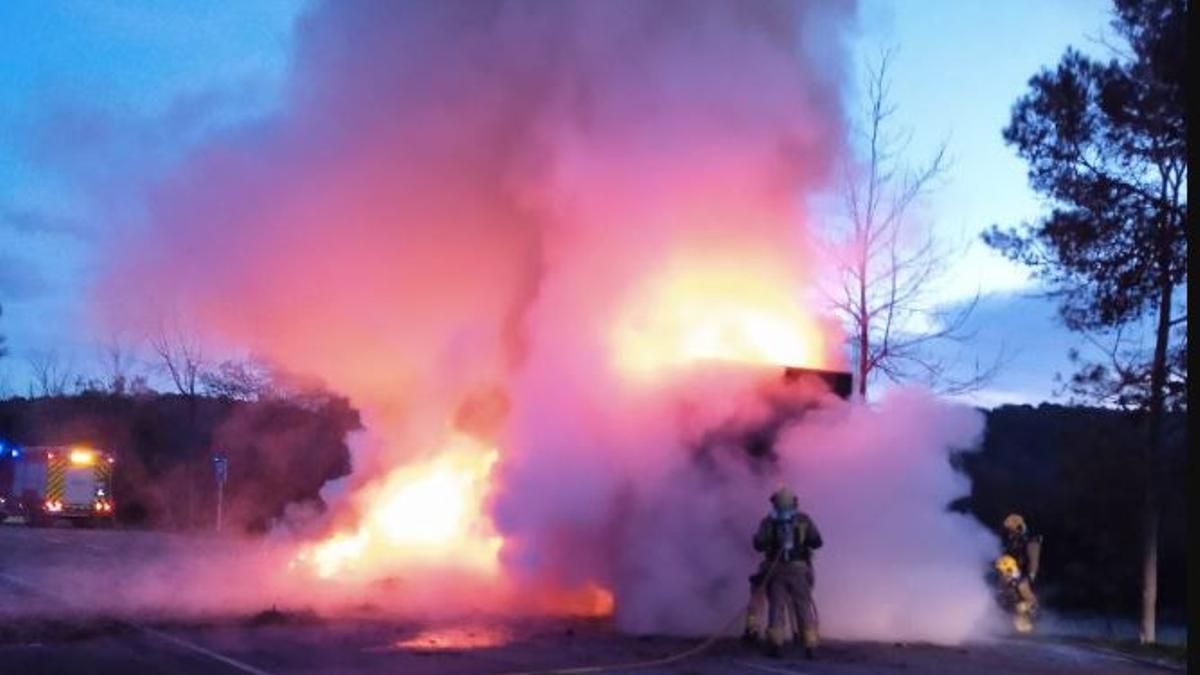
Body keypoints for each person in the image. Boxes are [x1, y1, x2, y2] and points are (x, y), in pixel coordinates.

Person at [751, 487, 823, 659]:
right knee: (803, 607)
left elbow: (758, 544)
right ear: (794, 501)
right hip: (799, 570)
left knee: (776, 606)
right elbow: (817, 542)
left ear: (775, 502)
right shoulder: (804, 520)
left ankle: (775, 645)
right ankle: (810, 646)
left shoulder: (768, 521)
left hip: (776, 571)